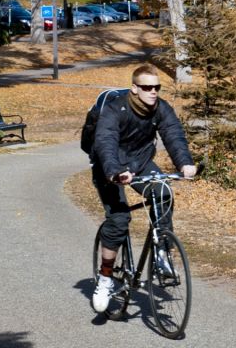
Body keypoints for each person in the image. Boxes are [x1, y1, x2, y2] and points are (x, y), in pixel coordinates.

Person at [90, 63, 197, 313]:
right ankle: (105, 279)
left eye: (157, 87)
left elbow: (173, 134)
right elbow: (105, 142)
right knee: (118, 220)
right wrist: (115, 172)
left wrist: (185, 163)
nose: (153, 92)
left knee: (163, 192)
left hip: (139, 163)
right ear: (135, 88)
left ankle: (162, 252)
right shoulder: (115, 110)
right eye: (147, 87)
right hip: (110, 167)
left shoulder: (161, 108)